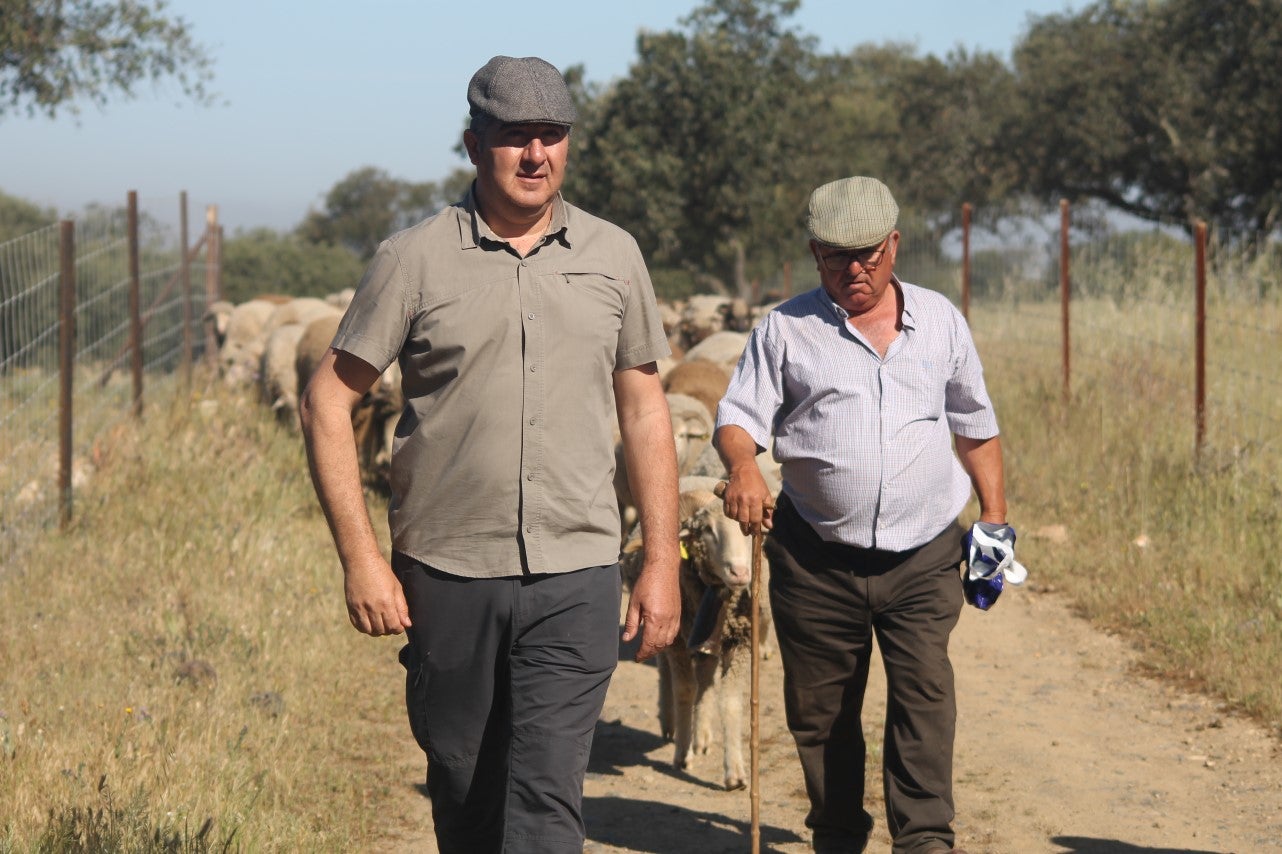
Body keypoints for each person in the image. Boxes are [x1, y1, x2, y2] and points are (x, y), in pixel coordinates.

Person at [299, 55, 681, 854]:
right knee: (467, 790)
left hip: (576, 572)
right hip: (448, 572)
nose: (535, 155)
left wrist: (662, 562)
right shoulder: (414, 259)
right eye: (515, 137)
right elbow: (328, 400)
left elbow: (645, 409)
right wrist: (360, 559)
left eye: (551, 136)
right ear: (475, 146)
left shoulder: (614, 256)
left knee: (546, 798)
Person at [714, 176, 1010, 854]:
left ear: (894, 244)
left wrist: (993, 519)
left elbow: (975, 424)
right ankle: (838, 836)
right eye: (836, 256)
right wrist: (742, 466)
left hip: (925, 554)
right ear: (815, 253)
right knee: (821, 714)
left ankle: (926, 839)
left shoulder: (940, 322)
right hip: (816, 557)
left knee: (924, 698)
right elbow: (738, 417)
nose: (855, 270)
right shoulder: (785, 329)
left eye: (869, 254)